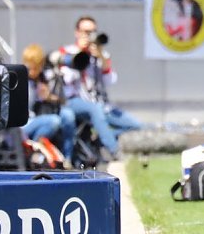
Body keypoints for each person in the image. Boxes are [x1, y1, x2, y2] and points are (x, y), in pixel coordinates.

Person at [58, 15, 143, 159]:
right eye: (86, 32)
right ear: (77, 32)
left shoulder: (100, 53)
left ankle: (99, 141)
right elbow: (66, 79)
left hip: (100, 103)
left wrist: (101, 58)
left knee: (135, 125)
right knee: (94, 108)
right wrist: (81, 54)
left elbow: (110, 80)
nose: (90, 35)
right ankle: (114, 151)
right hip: (74, 101)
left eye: (93, 31)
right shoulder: (67, 52)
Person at [21, 43, 77, 166]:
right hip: (26, 122)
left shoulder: (47, 77)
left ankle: (67, 158)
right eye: (29, 67)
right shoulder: (21, 80)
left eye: (35, 68)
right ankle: (33, 151)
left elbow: (62, 100)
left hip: (43, 113)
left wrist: (48, 97)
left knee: (68, 115)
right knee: (54, 121)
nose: (31, 71)